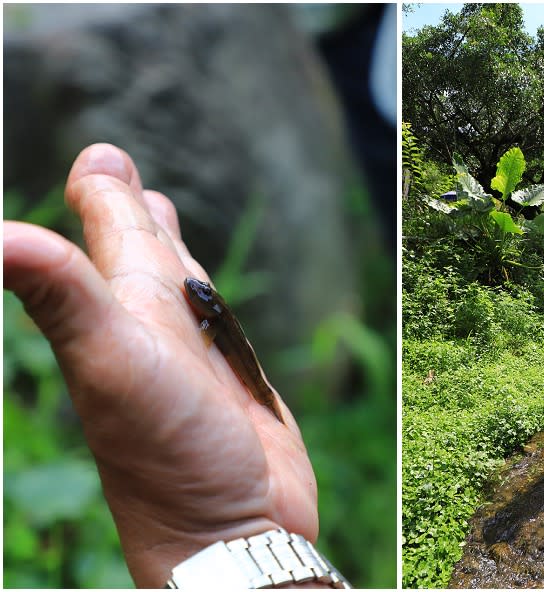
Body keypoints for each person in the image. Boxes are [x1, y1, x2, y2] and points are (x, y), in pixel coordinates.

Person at [3, 143, 343, 588]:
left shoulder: (215, 319)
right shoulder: (211, 313)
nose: (193, 292)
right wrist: (235, 530)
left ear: (212, 309)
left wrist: (223, 532)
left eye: (202, 295)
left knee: (257, 385)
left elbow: (210, 320)